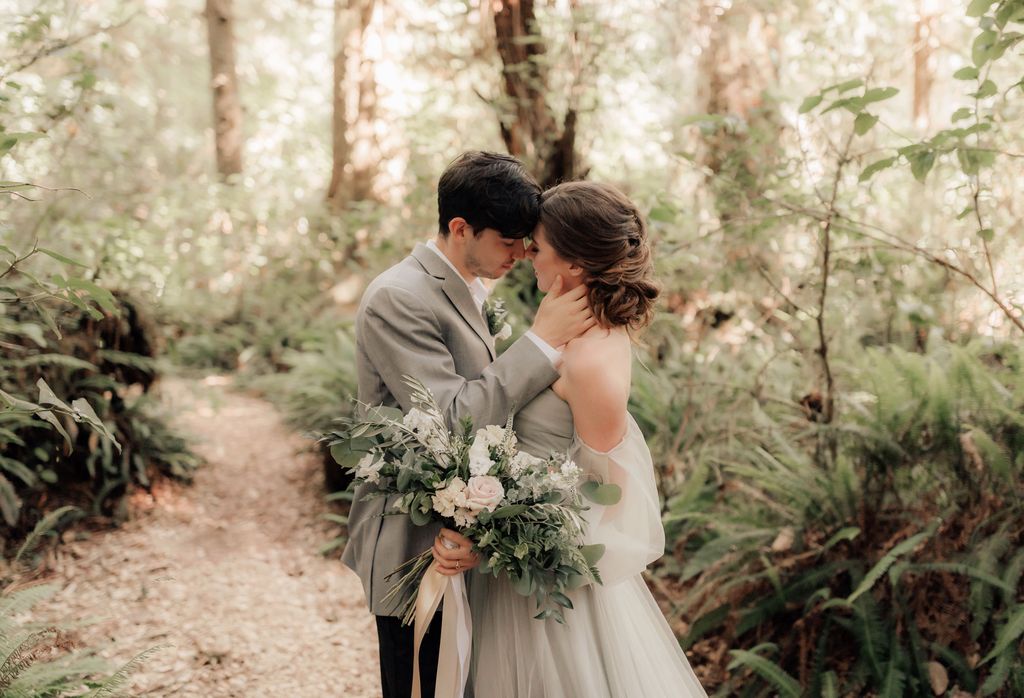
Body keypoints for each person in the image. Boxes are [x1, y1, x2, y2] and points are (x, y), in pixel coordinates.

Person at [341, 151, 595, 698]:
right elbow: (449, 418)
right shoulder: (398, 297)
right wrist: (540, 343)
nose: (521, 254)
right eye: (508, 242)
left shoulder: (468, 287)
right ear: (460, 229)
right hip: (415, 545)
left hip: (466, 538)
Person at [454, 181, 708, 697]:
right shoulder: (562, 327)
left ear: (573, 262)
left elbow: (606, 495)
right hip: (508, 573)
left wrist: (503, 532)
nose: (527, 256)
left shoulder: (592, 359)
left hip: (547, 590)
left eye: (538, 247)